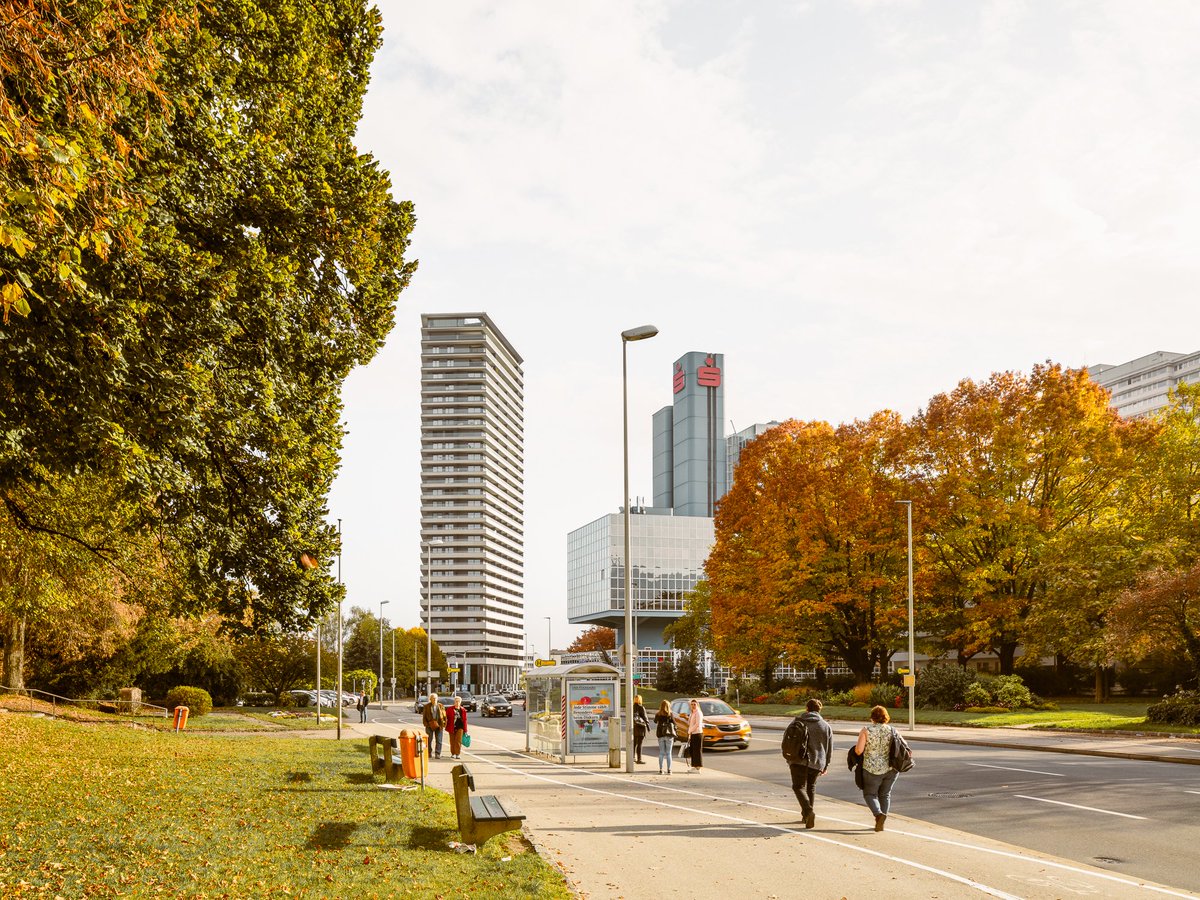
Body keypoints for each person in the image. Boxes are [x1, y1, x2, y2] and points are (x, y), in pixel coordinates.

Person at [788, 698, 834, 829]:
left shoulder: (798, 721)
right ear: (819, 710)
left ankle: (808, 812)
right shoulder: (825, 726)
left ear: (806, 709)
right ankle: (807, 816)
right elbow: (829, 748)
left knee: (798, 787)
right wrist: (826, 765)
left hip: (798, 760)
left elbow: (788, 739)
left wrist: (788, 757)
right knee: (811, 787)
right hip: (817, 762)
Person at [855, 705, 901, 831]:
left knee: (870, 794)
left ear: (872, 717)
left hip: (872, 768)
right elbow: (904, 747)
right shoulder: (892, 730)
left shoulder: (866, 730)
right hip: (891, 769)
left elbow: (859, 750)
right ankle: (881, 821)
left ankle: (878, 814)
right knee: (885, 795)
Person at [422, 692, 447, 759]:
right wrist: (426, 724)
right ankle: (429, 753)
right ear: (430, 699)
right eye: (433, 698)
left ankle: (437, 753)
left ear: (437, 699)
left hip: (439, 725)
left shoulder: (441, 706)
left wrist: (443, 724)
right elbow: (424, 717)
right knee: (429, 740)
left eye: (435, 698)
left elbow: (444, 716)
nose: (434, 699)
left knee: (439, 740)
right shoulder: (427, 706)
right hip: (429, 725)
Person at [653, 700, 674, 774]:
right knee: (669, 753)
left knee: (661, 753)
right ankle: (669, 769)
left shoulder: (658, 714)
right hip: (668, 735)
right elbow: (674, 723)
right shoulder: (670, 714)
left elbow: (655, 721)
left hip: (660, 735)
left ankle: (661, 769)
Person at [446, 695, 469, 760]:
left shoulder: (463, 710)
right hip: (451, 727)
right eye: (456, 701)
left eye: (458, 701)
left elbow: (465, 720)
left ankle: (457, 754)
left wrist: (465, 730)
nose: (457, 703)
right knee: (452, 741)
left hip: (460, 727)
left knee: (458, 741)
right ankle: (453, 753)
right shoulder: (450, 709)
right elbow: (445, 718)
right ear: (454, 702)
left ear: (460, 702)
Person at [685, 698, 704, 773]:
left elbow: (697, 724)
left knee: (697, 751)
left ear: (697, 705)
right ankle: (694, 766)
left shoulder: (698, 713)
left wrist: (690, 730)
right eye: (692, 704)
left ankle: (698, 767)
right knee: (693, 751)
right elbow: (691, 723)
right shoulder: (692, 713)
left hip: (697, 733)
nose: (693, 706)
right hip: (693, 733)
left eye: (694, 704)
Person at [632, 695, 649, 764]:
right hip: (640, 728)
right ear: (640, 700)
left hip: (634, 727)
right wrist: (647, 725)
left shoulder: (632, 707)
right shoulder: (641, 707)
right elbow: (645, 718)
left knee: (634, 744)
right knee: (639, 744)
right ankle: (639, 759)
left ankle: (632, 758)